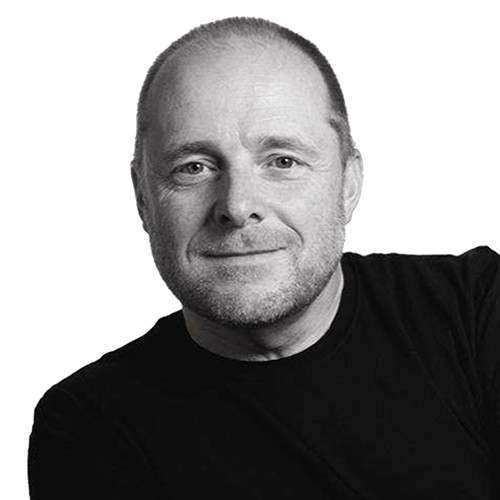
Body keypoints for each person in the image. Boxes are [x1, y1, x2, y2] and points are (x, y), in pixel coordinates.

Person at [28, 17, 499, 499]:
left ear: (348, 183)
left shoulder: (475, 308)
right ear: (143, 199)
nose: (237, 206)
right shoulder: (89, 427)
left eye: (283, 161)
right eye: (194, 168)